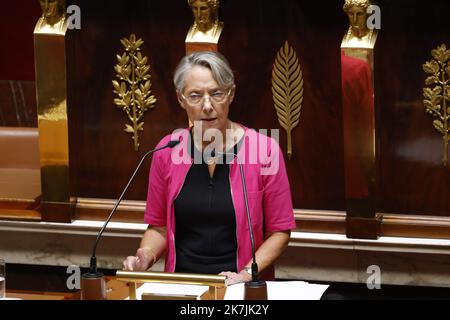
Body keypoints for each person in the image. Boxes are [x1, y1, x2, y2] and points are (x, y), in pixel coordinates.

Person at [123, 51, 296, 286]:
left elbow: (279, 232)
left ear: (231, 94)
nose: (207, 106)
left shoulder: (264, 149)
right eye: (195, 95)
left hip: (240, 286)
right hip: (182, 286)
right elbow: (159, 228)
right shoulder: (166, 150)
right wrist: (145, 257)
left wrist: (245, 274)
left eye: (216, 93)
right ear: (181, 99)